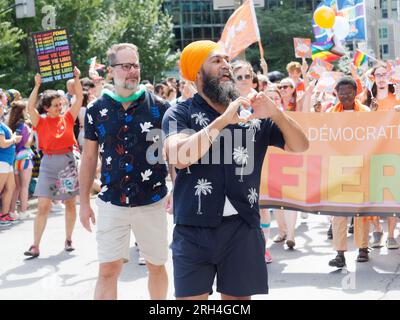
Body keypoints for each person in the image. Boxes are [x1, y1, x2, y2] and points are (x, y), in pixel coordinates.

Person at [162, 40, 309, 300]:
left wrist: (276, 114)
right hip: (193, 228)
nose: (226, 66)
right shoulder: (179, 113)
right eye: (216, 61)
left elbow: (300, 145)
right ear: (197, 74)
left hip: (243, 227)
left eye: (226, 60)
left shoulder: (252, 114)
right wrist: (221, 122)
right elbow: (179, 156)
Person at [79, 43, 170, 300]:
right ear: (111, 71)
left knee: (156, 265)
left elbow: (173, 151)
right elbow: (88, 157)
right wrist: (84, 201)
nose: (133, 71)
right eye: (126, 66)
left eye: (136, 65)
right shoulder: (97, 110)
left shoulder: (160, 107)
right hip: (112, 202)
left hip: (151, 199)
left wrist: (177, 189)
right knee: (108, 270)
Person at [24, 67, 83, 258]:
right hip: (48, 164)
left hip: (67, 163)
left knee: (70, 203)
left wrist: (77, 79)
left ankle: (69, 239)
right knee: (43, 206)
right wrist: (36, 85)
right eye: (56, 105)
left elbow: (79, 99)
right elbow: (29, 107)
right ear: (47, 107)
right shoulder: (39, 122)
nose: (60, 107)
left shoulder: (68, 117)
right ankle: (35, 245)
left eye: (60, 104)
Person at [326, 76, 371, 267]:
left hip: (362, 165)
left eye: (349, 92)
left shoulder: (367, 113)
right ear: (336, 94)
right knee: (339, 212)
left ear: (356, 93)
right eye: (341, 92)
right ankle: (340, 254)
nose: (345, 95)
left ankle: (362, 248)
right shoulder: (330, 113)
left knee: (361, 211)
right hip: (338, 166)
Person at [361, 65, 399, 249]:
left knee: (391, 193)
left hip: (394, 152)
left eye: (385, 75)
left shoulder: (397, 98)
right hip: (372, 153)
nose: (382, 78)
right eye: (379, 75)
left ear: (390, 77)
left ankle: (392, 234)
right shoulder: (367, 100)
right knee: (372, 192)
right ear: (374, 77)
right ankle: (377, 229)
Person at [8, 101, 34, 220]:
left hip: (14, 158)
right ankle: (24, 211)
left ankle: (12, 211)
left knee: (17, 187)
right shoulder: (24, 126)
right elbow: (28, 143)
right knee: (24, 186)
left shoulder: (11, 125)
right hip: (24, 156)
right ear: (22, 111)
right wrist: (33, 131)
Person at [0, 99, 22, 225]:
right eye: (1, 106)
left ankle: (4, 215)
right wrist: (14, 139)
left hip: (7, 161)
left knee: (11, 187)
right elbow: (2, 144)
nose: (3, 108)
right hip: (2, 160)